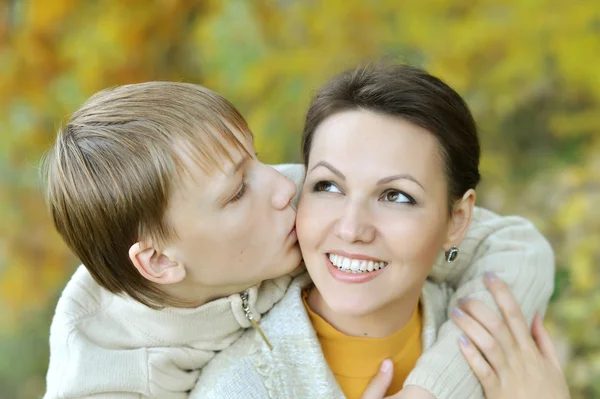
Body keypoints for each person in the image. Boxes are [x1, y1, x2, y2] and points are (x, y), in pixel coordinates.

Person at [42, 76, 552, 399]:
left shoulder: (293, 211)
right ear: (159, 262)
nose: (287, 186)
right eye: (239, 190)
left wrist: (433, 386)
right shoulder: (107, 374)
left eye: (257, 160)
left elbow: (514, 246)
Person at [189, 64, 555, 399]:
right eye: (329, 187)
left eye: (396, 195)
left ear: (457, 220)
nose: (351, 229)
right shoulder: (238, 388)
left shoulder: (497, 347)